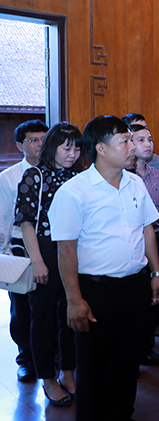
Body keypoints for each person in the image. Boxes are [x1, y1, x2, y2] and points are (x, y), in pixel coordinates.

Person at [49, 115, 159, 421]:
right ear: (101, 149)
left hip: (135, 286)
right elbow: (66, 250)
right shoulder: (75, 192)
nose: (133, 146)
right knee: (94, 367)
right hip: (95, 290)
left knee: (128, 363)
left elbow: (147, 230)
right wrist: (74, 300)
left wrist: (155, 274)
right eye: (125, 141)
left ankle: (122, 415)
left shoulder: (136, 184)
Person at [15, 123, 82, 406]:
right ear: (52, 146)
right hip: (44, 247)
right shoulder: (35, 175)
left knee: (71, 312)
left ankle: (68, 371)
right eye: (67, 147)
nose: (73, 153)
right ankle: (47, 377)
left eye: (77, 147)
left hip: (74, 248)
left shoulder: (78, 177)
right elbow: (27, 222)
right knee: (42, 316)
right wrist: (38, 262)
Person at [0, 119, 48, 382]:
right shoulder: (8, 178)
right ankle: (26, 358)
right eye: (33, 139)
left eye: (44, 138)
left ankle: (49, 353)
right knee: (22, 305)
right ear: (20, 145)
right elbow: (3, 217)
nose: (40, 144)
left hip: (50, 245)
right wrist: (4, 251)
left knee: (48, 303)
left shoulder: (55, 172)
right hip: (19, 247)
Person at [128, 124, 159, 366]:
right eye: (140, 140)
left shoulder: (156, 174)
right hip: (132, 242)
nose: (148, 144)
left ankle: (147, 349)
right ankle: (132, 353)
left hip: (155, 237)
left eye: (149, 139)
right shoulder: (124, 176)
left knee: (156, 294)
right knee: (136, 299)